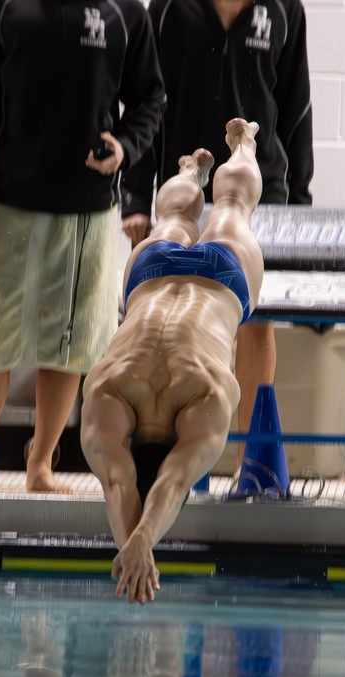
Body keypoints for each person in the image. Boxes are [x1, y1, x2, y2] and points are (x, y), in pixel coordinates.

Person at [0, 0, 166, 493]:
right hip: (10, 201)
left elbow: (151, 98)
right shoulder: (3, 6)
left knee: (68, 345)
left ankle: (40, 465)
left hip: (85, 205)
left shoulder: (123, 12)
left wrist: (125, 146)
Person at [121, 0, 313, 476]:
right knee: (172, 325)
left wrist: (302, 208)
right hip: (184, 196)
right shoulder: (167, 9)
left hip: (258, 192)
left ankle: (247, 462)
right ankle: (172, 457)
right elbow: (147, 102)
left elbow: (297, 111)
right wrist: (135, 201)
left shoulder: (285, 10)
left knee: (254, 324)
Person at [81, 118, 264, 604]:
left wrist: (142, 541)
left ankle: (243, 147)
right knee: (177, 218)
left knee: (234, 208)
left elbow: (174, 479)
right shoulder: (106, 391)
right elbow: (120, 481)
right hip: (153, 272)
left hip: (222, 279)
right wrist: (135, 540)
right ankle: (199, 165)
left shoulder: (208, 398)